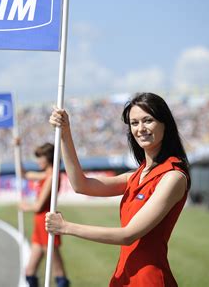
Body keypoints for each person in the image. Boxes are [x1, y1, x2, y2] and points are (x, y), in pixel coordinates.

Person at [46, 92, 190, 287]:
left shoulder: (173, 177)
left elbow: (128, 235)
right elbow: (81, 185)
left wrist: (66, 227)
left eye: (148, 120)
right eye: (134, 123)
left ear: (165, 123)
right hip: (123, 277)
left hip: (149, 280)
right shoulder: (135, 175)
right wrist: (65, 133)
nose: (141, 129)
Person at [14, 139, 70, 287]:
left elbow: (39, 206)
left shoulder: (52, 176)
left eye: (41, 158)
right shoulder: (45, 174)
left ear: (49, 158)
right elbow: (23, 174)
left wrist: (25, 206)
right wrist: (17, 150)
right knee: (29, 271)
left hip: (47, 223)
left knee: (57, 270)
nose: (38, 161)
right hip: (39, 224)